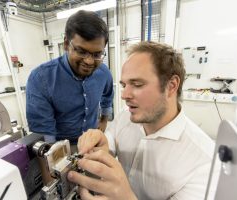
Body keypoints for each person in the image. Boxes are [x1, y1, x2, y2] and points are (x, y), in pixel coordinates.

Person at [67, 41, 216, 200]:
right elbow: (109, 141)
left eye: (137, 84)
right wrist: (101, 143)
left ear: (171, 86)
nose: (124, 95)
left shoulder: (206, 163)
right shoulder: (126, 116)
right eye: (124, 85)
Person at [26, 10, 114, 145]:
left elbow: (107, 96)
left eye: (97, 54)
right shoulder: (41, 79)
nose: (89, 61)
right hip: (61, 145)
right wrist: (56, 159)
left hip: (92, 140)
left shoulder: (103, 72)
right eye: (81, 51)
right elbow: (45, 133)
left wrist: (103, 120)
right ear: (67, 44)